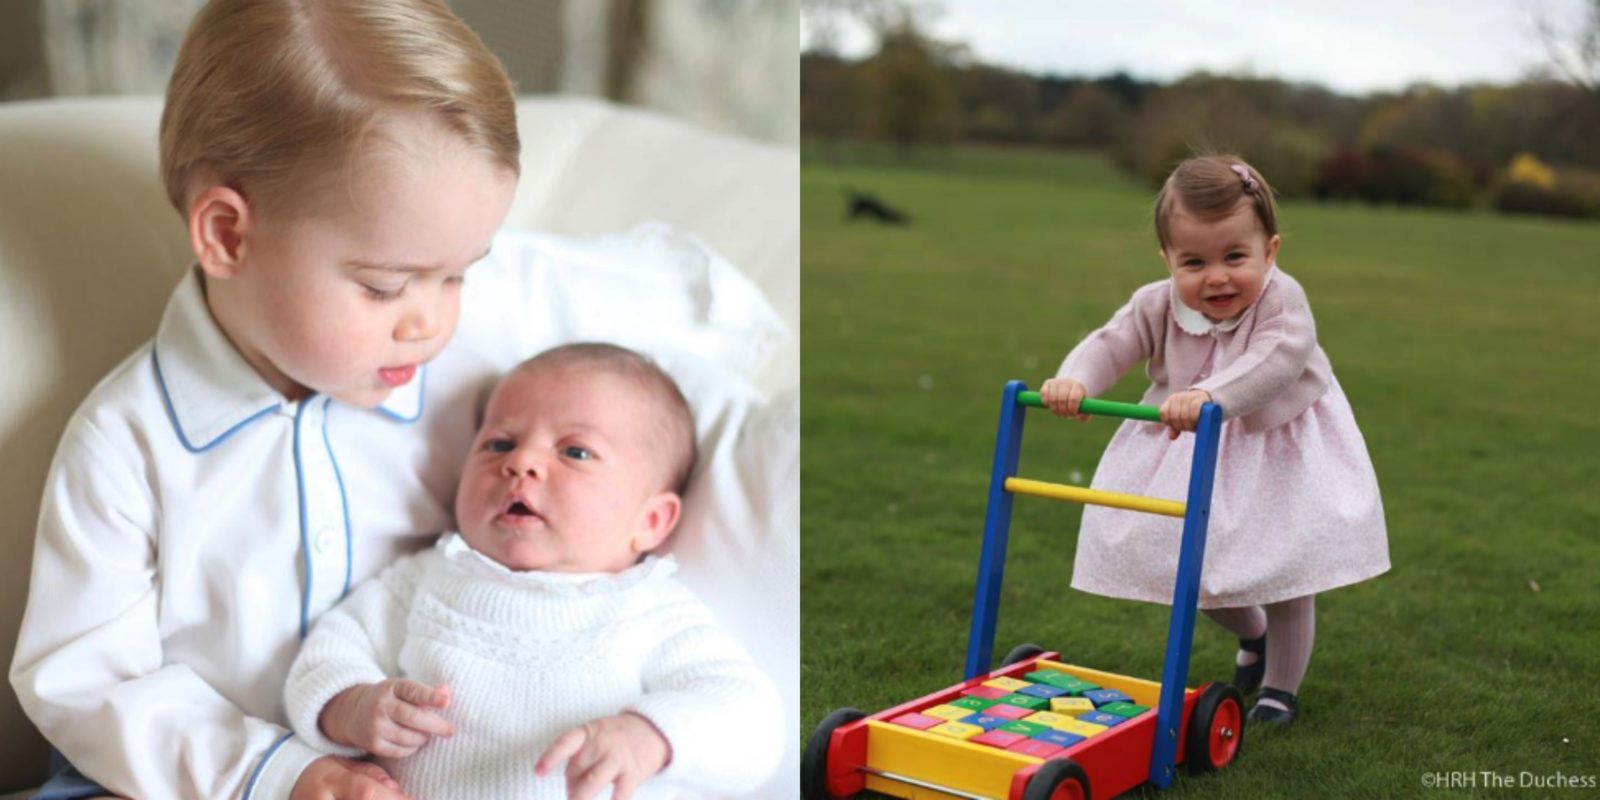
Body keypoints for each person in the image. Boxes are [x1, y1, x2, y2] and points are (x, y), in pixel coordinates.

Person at [8, 1, 525, 798]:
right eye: (384, 285)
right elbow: (84, 681)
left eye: (458, 274)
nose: (430, 321)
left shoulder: (473, 398)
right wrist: (276, 771)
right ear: (227, 237)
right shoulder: (128, 444)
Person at [283, 344, 782, 800]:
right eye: (499, 444)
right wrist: (351, 707)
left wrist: (651, 736)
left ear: (650, 521)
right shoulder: (425, 580)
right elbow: (327, 654)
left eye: (575, 451)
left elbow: (751, 721)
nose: (522, 462)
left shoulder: (650, 611)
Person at [1039, 155, 1390, 727]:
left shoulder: (1282, 300)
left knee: (1283, 569)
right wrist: (1076, 378)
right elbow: (1112, 340)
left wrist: (1209, 394)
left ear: (1269, 251)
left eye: (1234, 257)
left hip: (1276, 445)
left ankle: (1280, 689)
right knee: (1190, 567)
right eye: (1194, 262)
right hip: (1193, 443)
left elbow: (1275, 360)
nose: (1217, 277)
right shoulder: (1158, 302)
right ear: (1168, 260)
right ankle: (1252, 633)